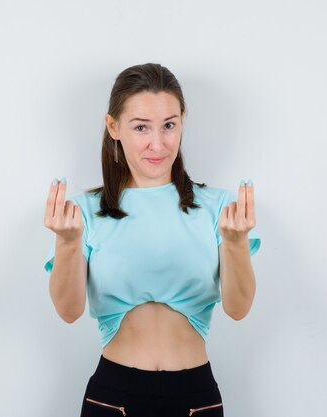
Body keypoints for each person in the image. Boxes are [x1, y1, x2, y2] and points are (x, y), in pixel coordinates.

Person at [42, 63, 261, 417]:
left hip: (196, 397)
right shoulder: (82, 213)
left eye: (169, 126)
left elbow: (238, 309)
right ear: (113, 127)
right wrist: (68, 244)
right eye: (141, 127)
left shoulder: (218, 208)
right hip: (113, 397)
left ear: (182, 122)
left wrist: (235, 244)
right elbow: (69, 312)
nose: (157, 144)